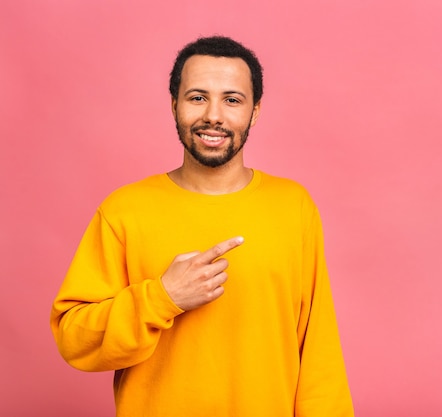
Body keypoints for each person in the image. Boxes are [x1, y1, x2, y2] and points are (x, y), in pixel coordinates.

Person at [50, 36, 354, 417]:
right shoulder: (124, 210)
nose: (214, 115)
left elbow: (318, 353)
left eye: (232, 99)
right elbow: (74, 340)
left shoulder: (294, 207)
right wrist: (163, 297)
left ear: (255, 111)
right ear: (174, 105)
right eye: (197, 97)